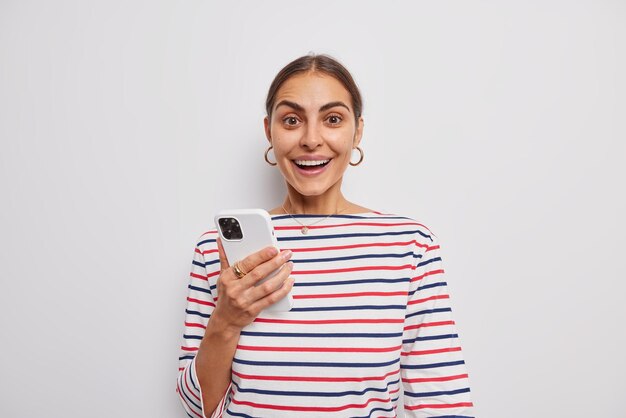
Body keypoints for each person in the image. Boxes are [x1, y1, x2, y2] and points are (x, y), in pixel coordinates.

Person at [176, 54, 474, 418]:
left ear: (357, 130)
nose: (311, 139)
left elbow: (441, 401)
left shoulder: (410, 246)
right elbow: (197, 409)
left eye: (332, 119)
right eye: (291, 120)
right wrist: (226, 320)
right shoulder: (217, 249)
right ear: (269, 130)